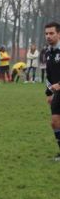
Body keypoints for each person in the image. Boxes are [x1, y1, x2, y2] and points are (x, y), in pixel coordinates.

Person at [43, 22, 60, 161]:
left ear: (59, 34)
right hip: (57, 93)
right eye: (46, 33)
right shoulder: (48, 52)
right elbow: (48, 74)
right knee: (55, 122)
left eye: (51, 33)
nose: (48, 36)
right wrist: (49, 93)